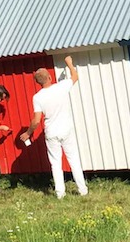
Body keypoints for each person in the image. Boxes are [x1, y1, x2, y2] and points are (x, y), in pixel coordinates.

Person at [19, 56, 88, 199]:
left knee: (55, 163)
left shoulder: (37, 97)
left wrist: (28, 133)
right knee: (74, 159)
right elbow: (75, 77)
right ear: (50, 77)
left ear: (38, 82)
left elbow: (37, 120)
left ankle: (60, 194)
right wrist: (69, 63)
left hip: (51, 132)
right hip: (66, 129)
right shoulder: (61, 87)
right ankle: (82, 190)